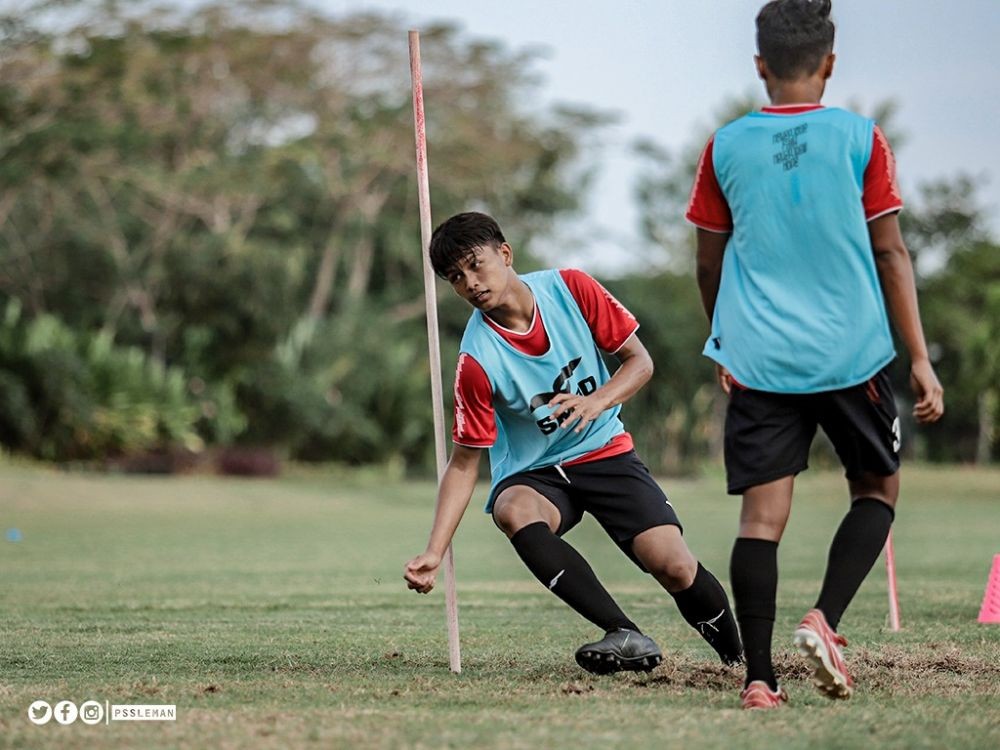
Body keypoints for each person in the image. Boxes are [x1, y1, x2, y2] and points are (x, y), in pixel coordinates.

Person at [687, 0, 944, 710]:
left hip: (761, 359)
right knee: (877, 491)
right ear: (829, 63)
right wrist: (919, 358)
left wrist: (725, 337)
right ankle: (824, 619)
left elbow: (708, 264)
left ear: (760, 67)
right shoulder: (862, 138)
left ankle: (760, 680)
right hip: (852, 353)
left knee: (761, 521)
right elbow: (890, 251)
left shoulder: (724, 145)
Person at [404, 211, 743, 674]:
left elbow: (639, 362)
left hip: (604, 450)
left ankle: (739, 662)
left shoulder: (571, 288)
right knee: (513, 510)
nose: (470, 283)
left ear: (505, 254)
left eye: (475, 264)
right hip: (535, 473)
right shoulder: (476, 360)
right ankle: (623, 633)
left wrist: (597, 402)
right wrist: (435, 550)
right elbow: (464, 463)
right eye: (455, 278)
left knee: (674, 566)